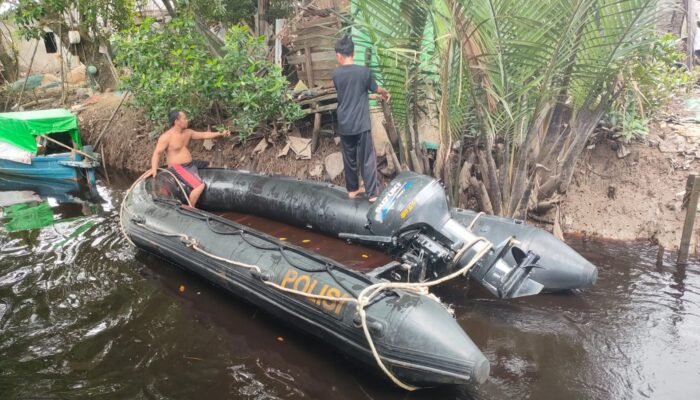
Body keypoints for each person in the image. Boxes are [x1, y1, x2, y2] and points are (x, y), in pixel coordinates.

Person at [332, 35, 390, 203]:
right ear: (354, 52)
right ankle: (372, 194)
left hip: (344, 124)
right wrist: (384, 93)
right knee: (366, 158)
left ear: (339, 55)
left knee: (349, 159)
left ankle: (352, 190)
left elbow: (352, 95)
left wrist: (372, 97)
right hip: (361, 124)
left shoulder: (336, 75)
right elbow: (375, 88)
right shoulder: (364, 72)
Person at [149, 110, 230, 208]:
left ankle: (203, 198)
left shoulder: (188, 132)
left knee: (209, 164)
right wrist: (154, 170)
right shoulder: (166, 137)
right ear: (176, 121)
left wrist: (221, 133)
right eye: (184, 118)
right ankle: (190, 208)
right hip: (178, 167)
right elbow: (157, 153)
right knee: (199, 186)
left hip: (190, 164)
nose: (187, 120)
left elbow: (204, 135)